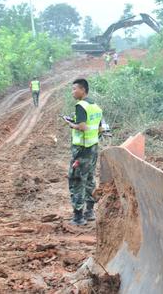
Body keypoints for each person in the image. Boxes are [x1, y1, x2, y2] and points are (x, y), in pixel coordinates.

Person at [63, 78, 103, 225]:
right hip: (93, 148)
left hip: (81, 150)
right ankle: (90, 211)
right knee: (90, 179)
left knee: (76, 180)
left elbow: (82, 127)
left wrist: (70, 124)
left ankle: (78, 216)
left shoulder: (81, 106)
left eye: (75, 89)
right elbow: (99, 128)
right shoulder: (96, 107)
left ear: (83, 90)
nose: (73, 92)